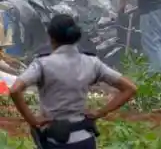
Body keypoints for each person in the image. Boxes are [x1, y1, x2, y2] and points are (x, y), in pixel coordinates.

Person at [11, 14, 137, 149]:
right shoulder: (92, 62)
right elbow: (130, 88)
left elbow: (15, 89)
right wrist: (100, 112)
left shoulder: (42, 64)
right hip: (85, 139)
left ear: (51, 37)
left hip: (55, 141)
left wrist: (33, 120)